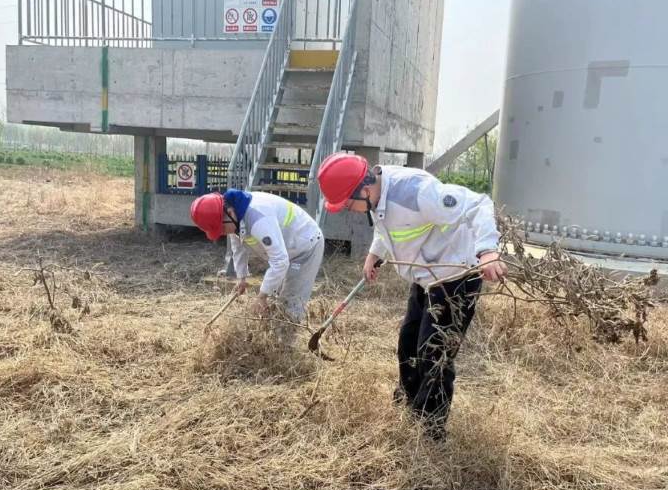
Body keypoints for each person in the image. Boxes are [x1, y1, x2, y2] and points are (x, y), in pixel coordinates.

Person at [317, 153, 507, 440]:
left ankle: (430, 432)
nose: (350, 210)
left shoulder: (417, 192)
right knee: (408, 345)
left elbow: (478, 204)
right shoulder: (376, 193)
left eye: (348, 205)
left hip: (454, 278)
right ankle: (409, 406)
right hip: (425, 277)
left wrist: (487, 251)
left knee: (434, 355)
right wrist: (374, 253)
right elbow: (389, 226)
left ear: (365, 190)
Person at [190, 189, 324, 322]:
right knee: (275, 301)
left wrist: (262, 296)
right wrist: (242, 278)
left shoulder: (258, 218)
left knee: (289, 306)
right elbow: (238, 248)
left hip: (305, 246)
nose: (222, 233)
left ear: (229, 213)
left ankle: (287, 336)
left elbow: (280, 261)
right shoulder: (234, 216)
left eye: (222, 229)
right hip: (286, 250)